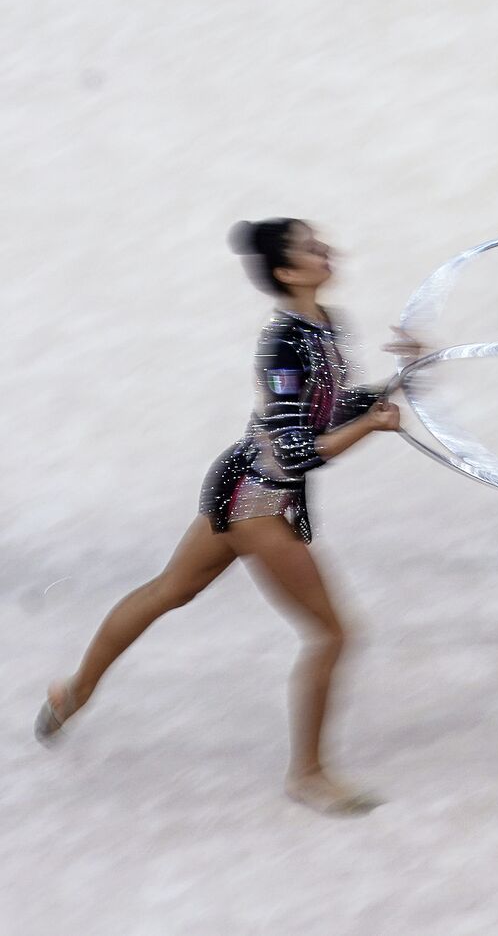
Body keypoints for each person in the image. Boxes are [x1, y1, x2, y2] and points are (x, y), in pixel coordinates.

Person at [35, 218, 413, 814]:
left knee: (169, 591)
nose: (326, 250)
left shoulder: (327, 325)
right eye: (310, 248)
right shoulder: (284, 343)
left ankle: (74, 691)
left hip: (250, 488)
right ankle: (308, 775)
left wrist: (402, 381)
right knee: (332, 633)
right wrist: (370, 425)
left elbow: (331, 408)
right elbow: (297, 449)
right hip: (256, 501)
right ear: (287, 272)